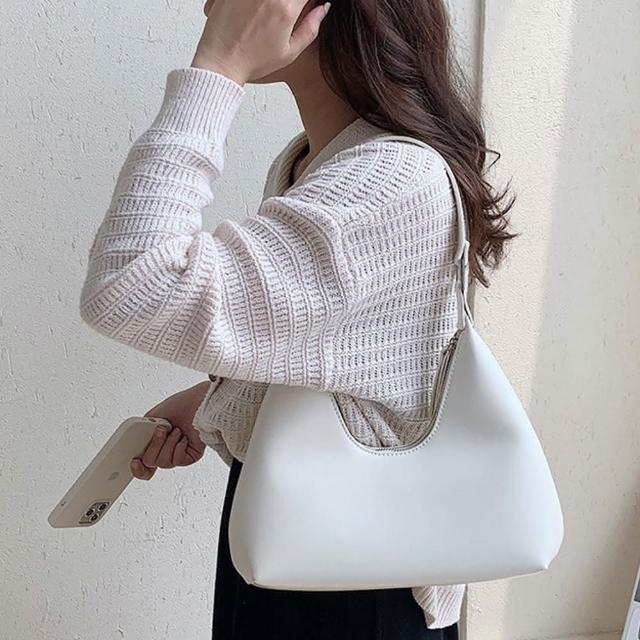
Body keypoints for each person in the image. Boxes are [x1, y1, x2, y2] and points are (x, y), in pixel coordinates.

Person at [79, 0, 517, 636]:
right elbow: (348, 358)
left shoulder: (391, 178)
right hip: (305, 541)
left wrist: (217, 67)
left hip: (359, 577)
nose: (212, 7)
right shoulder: (317, 161)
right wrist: (216, 399)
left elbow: (131, 282)